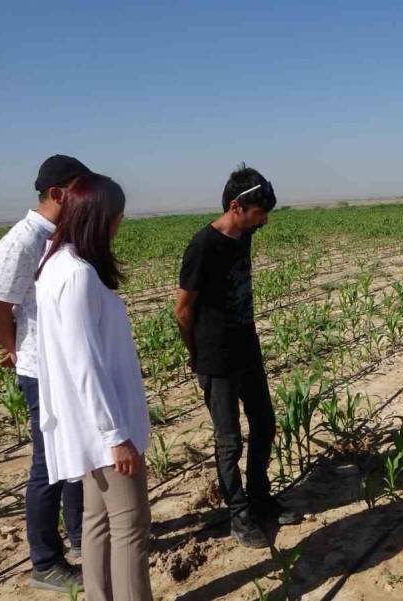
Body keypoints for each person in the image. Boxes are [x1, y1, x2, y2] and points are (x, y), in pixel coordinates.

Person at [35, 173, 152, 601]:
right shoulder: (78, 275)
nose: (118, 226)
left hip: (83, 426)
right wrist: (115, 436)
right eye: (117, 218)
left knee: (98, 521)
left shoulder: (55, 265)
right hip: (105, 428)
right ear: (100, 219)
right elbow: (85, 365)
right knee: (132, 528)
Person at [174, 164, 301, 549]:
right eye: (258, 214)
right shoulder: (202, 246)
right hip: (216, 359)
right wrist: (196, 354)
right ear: (235, 206)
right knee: (229, 441)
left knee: (264, 424)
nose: (262, 222)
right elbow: (183, 309)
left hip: (248, 349)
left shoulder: (243, 235)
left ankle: (261, 498)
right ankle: (238, 513)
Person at [0, 154, 89, 592]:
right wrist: (17, 349)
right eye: (82, 192)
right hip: (42, 373)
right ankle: (46, 562)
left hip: (65, 367)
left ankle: (81, 536)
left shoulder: (64, 237)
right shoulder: (21, 242)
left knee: (76, 458)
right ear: (59, 194)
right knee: (49, 467)